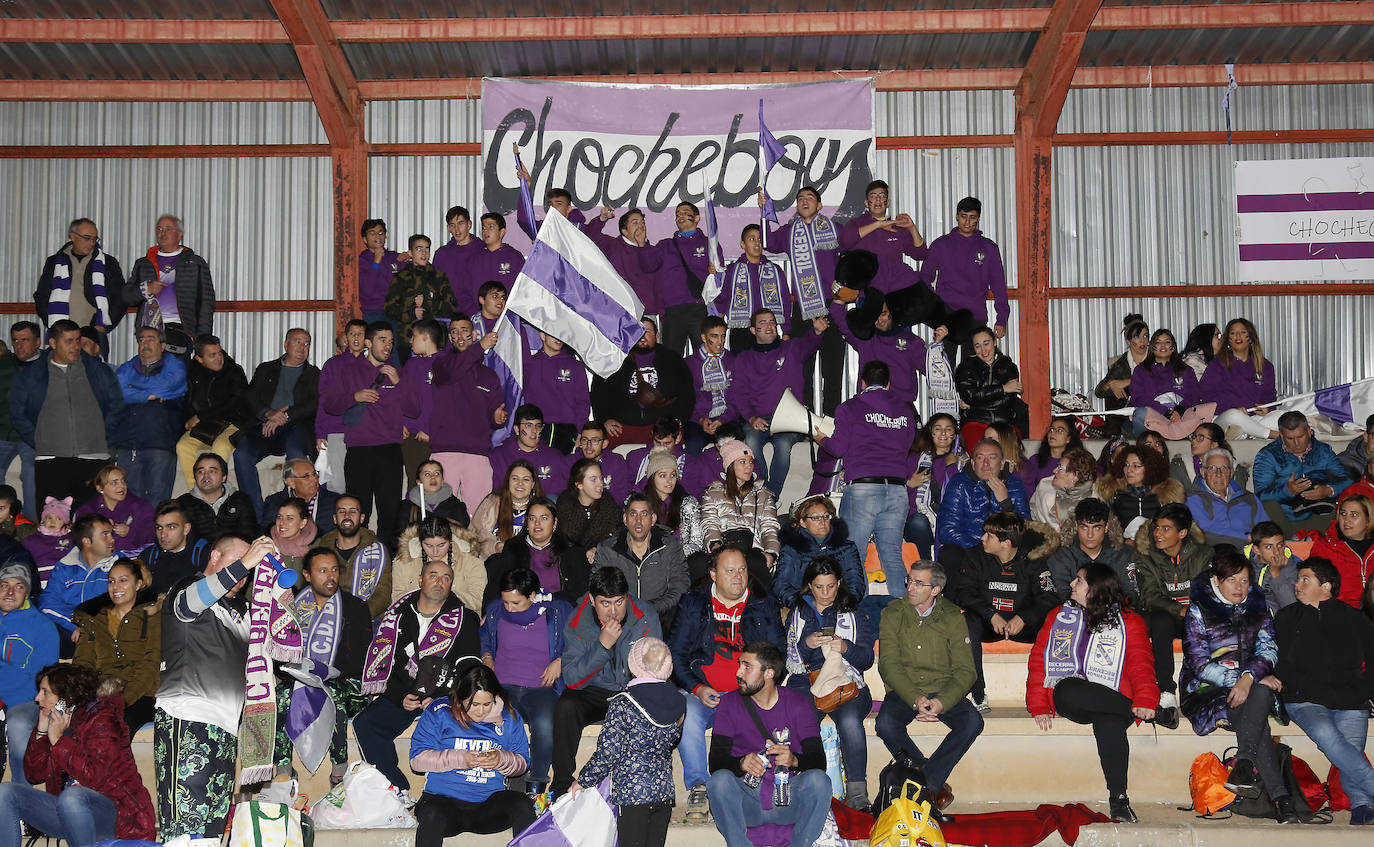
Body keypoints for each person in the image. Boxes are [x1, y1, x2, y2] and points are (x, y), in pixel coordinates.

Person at [154, 533, 266, 838]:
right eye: (239, 562)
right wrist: (246, 562)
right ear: (215, 556)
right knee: (184, 831)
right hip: (188, 717)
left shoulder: (243, 612)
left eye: (249, 569)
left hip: (227, 729)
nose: (244, 574)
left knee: (213, 832)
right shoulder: (188, 587)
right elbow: (189, 605)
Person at [1028, 563, 1158, 823]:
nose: (1072, 585)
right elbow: (1039, 660)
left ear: (1094, 590)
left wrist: (1146, 699)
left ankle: (1119, 800)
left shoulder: (1129, 621)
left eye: (1079, 581)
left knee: (1109, 722)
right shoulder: (1059, 616)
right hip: (1076, 697)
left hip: (1113, 698)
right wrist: (1039, 704)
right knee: (1066, 688)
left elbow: (1140, 663)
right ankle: (1156, 715)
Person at [1179, 551, 1295, 820]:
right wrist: (1242, 680)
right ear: (1217, 580)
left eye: (1244, 581)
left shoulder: (1258, 608)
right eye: (1232, 580)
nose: (1239, 587)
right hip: (1206, 689)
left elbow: (1269, 648)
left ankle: (1244, 765)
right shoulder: (1199, 611)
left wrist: (1249, 678)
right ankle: (1281, 797)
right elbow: (1199, 664)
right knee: (1255, 709)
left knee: (1258, 696)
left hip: (1251, 685)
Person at [354, 557, 480, 802]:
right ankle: (396, 789)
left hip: (444, 696)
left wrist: (442, 696)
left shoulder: (464, 618)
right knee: (365, 723)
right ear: (420, 579)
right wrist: (400, 696)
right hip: (405, 693)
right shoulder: (397, 615)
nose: (439, 582)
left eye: (446, 578)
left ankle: (447, 796)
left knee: (460, 726)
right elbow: (385, 663)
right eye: (433, 575)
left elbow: (469, 666)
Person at [0, 663, 155, 847]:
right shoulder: (59, 722)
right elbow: (34, 775)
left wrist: (58, 741)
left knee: (72, 797)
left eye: (45, 692)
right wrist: (41, 730)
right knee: (6, 792)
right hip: (69, 812)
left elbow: (96, 777)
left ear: (65, 697)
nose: (37, 698)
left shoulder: (102, 718)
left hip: (120, 816)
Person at [1271, 557, 1374, 824]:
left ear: (1326, 587)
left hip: (1350, 698)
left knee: (1350, 748)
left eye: (1306, 580)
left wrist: (1366, 690)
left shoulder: (1354, 619)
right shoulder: (1286, 617)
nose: (1298, 585)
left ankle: (1362, 806)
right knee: (1328, 736)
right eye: (1298, 579)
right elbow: (1278, 661)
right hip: (1304, 699)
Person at [875, 558, 979, 814]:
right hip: (905, 690)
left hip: (944, 689)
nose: (910, 587)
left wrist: (942, 702)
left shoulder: (953, 617)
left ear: (936, 590)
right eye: (909, 580)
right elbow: (888, 665)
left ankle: (924, 785)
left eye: (918, 583)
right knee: (885, 724)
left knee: (973, 722)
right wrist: (915, 699)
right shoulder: (892, 613)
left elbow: (966, 671)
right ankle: (933, 787)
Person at [705, 641, 830, 847]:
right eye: (740, 664)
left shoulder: (798, 703)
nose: (738, 672)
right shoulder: (730, 703)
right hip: (748, 802)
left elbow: (818, 761)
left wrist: (794, 760)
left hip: (787, 799)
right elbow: (716, 762)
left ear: (769, 673)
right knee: (719, 781)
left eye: (747, 666)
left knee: (819, 781)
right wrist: (741, 763)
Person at [552, 566, 662, 797]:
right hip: (594, 690)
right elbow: (572, 679)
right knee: (566, 705)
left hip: (632, 691)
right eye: (605, 603)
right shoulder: (577, 621)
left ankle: (642, 785)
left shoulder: (645, 616)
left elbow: (655, 671)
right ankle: (561, 785)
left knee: (657, 703)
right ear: (592, 600)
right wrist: (602, 646)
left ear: (627, 597)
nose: (613, 611)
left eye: (619, 602)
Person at [266, 548, 372, 787]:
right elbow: (279, 656)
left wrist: (323, 672)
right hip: (301, 681)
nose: (331, 576)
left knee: (330, 691)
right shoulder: (292, 608)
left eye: (334, 570)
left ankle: (339, 770)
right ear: (307, 575)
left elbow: (360, 660)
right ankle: (283, 770)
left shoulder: (355, 607)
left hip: (348, 685)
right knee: (280, 695)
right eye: (323, 571)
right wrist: (299, 673)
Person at [816, 360, 918, 594]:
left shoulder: (850, 407)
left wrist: (821, 439)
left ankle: (854, 617)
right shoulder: (905, 409)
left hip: (863, 487)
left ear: (861, 383)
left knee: (853, 555)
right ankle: (904, 617)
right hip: (896, 489)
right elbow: (908, 444)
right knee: (892, 555)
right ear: (888, 383)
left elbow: (839, 449)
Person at [783, 556, 876, 811]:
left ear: (840, 584)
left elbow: (866, 659)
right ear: (809, 587)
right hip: (806, 680)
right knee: (802, 716)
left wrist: (845, 647)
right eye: (819, 587)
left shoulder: (853, 611)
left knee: (848, 720)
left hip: (846, 681)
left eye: (831, 586)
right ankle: (802, 785)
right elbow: (789, 658)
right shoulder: (799, 612)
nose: (826, 593)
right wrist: (807, 644)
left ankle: (857, 792)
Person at [573, 637, 684, 847]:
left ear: (633, 664)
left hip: (632, 795)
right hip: (663, 793)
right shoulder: (679, 701)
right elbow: (673, 739)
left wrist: (583, 780)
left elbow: (608, 753)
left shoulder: (623, 703)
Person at [408, 662, 535, 845]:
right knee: (431, 813)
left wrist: (501, 759)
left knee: (522, 804)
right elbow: (417, 760)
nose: (481, 711)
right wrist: (461, 759)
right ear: (460, 697)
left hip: (488, 806)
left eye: (487, 704)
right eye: (474, 704)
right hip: (444, 802)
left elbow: (523, 762)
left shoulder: (509, 716)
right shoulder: (439, 711)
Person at [950, 512, 1058, 711]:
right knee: (966, 621)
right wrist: (990, 614)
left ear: (1006, 542)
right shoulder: (975, 556)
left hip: (1024, 626)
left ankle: (1051, 694)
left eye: (988, 535)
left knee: (1055, 621)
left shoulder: (1033, 559)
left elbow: (1049, 597)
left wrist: (1024, 617)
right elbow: (962, 593)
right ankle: (978, 693)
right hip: (988, 625)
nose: (982, 538)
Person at [10, 319, 123, 508]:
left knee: (90, 524)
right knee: (54, 524)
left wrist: (103, 436)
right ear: (53, 343)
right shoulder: (32, 375)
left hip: (93, 458)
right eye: (68, 341)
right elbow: (18, 412)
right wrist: (39, 440)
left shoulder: (97, 371)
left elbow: (117, 407)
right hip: (51, 460)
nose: (76, 346)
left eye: (78, 340)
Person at [479, 567, 572, 796]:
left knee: (545, 725)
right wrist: (487, 656)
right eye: (506, 602)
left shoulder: (557, 611)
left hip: (540, 687)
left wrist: (560, 660)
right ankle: (497, 780)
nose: (509, 608)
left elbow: (578, 642)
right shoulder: (494, 610)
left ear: (531, 596)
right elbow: (485, 640)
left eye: (516, 603)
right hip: (502, 687)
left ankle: (536, 784)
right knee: (493, 721)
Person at [325, 321, 415, 536]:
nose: (388, 346)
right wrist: (354, 397)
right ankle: (356, 558)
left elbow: (414, 409)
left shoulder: (399, 372)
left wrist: (398, 382)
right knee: (358, 510)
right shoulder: (349, 371)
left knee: (390, 512)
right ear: (368, 342)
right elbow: (329, 404)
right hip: (359, 450)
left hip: (390, 450)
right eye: (382, 340)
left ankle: (388, 562)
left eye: (391, 342)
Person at [727, 308, 828, 495]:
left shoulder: (791, 348)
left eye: (772, 322)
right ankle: (763, 490)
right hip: (760, 418)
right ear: (753, 330)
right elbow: (739, 394)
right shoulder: (744, 359)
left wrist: (817, 331)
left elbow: (809, 342)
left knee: (782, 444)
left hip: (791, 419)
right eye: (763, 323)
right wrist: (751, 418)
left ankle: (769, 497)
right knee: (750, 439)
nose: (769, 326)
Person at [1134, 503, 1214, 729]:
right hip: (1164, 618)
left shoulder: (1204, 555)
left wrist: (1192, 611)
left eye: (1166, 529)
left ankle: (1205, 688)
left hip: (1196, 617)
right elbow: (1149, 595)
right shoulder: (1145, 556)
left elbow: (1209, 591)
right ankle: (1166, 692)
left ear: (1182, 533)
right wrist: (1178, 609)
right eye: (1157, 528)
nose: (1158, 534)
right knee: (1161, 620)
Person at [234, 329, 321, 513]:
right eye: (298, 341)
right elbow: (250, 396)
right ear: (286, 344)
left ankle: (295, 509)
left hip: (296, 426)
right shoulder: (265, 369)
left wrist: (285, 416)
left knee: (296, 452)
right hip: (265, 426)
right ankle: (255, 514)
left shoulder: (314, 374)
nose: (302, 347)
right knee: (241, 454)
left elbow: (313, 404)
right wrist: (268, 413)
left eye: (307, 344)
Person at [429, 316, 508, 513]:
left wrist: (497, 418)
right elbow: (456, 369)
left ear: (473, 334)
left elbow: (494, 415)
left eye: (464, 330)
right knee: (440, 515)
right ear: (450, 338)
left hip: (477, 454)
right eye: (454, 331)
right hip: (444, 452)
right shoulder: (441, 364)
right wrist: (480, 347)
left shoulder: (489, 376)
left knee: (479, 518)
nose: (459, 335)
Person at [71, 558, 159, 732]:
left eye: (123, 581)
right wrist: (83, 694)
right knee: (75, 723)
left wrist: (123, 700)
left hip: (142, 694)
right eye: (111, 581)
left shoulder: (152, 615)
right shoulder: (94, 619)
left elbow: (151, 663)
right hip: (101, 691)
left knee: (117, 725)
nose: (116, 587)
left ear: (138, 584)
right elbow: (83, 661)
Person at [590, 317, 693, 449]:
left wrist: (678, 420)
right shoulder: (614, 358)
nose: (642, 335)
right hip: (622, 427)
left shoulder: (672, 359)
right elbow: (598, 392)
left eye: (648, 331)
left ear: (656, 336)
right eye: (638, 331)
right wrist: (604, 419)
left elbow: (687, 393)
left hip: (661, 427)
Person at [936, 437, 1030, 581]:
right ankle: (954, 602)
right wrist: (981, 551)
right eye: (980, 458)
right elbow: (947, 530)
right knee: (949, 553)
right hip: (969, 549)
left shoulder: (1014, 485)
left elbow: (1025, 528)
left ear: (1002, 463)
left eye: (992, 458)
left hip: (1003, 550)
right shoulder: (959, 484)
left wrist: (1005, 503)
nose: (986, 464)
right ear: (973, 463)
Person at [111, 327, 186, 503]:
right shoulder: (126, 369)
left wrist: (133, 390)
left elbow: (167, 387)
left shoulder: (175, 369)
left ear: (163, 345)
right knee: (128, 502)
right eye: (141, 340)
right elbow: (115, 394)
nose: (145, 343)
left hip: (160, 444)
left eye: (151, 339)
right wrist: (149, 395)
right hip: (127, 445)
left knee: (157, 501)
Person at [921, 196, 1009, 345]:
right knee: (945, 367)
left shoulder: (989, 248)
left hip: (975, 316)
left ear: (978, 219)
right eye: (963, 216)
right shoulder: (940, 245)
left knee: (974, 367)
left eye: (972, 217)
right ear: (957, 216)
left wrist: (1002, 319)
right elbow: (925, 277)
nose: (967, 222)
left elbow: (999, 286)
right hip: (946, 317)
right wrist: (933, 311)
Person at [593, 492, 688, 630]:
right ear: (625, 519)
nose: (638, 520)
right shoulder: (608, 550)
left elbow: (680, 587)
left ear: (653, 519)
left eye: (644, 514)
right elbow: (597, 589)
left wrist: (648, 609)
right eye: (633, 514)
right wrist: (624, 611)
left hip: (661, 619)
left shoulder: (669, 546)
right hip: (619, 620)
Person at [0, 561, 59, 782]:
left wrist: (6, 702)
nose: (10, 592)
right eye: (4, 585)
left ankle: (21, 796)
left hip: (26, 701)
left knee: (18, 723)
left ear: (26, 593)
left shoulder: (43, 627)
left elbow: (42, 681)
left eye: (18, 586)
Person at [34, 218, 127, 357]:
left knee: (94, 376)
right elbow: (42, 295)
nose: (91, 243)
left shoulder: (108, 263)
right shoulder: (54, 262)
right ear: (72, 236)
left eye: (95, 239)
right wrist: (53, 324)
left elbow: (120, 297)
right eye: (87, 238)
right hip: (62, 333)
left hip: (93, 333)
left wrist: (103, 325)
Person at [125, 214, 215, 355]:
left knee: (176, 373)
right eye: (159, 229)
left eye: (168, 228)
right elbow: (126, 296)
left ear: (180, 235)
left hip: (181, 330)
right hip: (149, 330)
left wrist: (202, 338)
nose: (163, 233)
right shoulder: (143, 263)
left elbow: (206, 301)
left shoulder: (195, 263)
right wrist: (145, 289)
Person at [1253, 411, 1351, 536]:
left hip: (1321, 511)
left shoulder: (1323, 450)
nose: (1297, 443)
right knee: (1268, 506)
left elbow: (1348, 481)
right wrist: (1287, 491)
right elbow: (1259, 496)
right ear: (1282, 437)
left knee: (1352, 501)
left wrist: (1328, 490)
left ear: (1309, 432)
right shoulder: (1268, 455)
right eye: (1290, 438)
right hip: (1284, 517)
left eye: (1300, 437)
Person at [701, 438, 780, 592]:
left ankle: (764, 610)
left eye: (750, 462)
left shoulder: (763, 494)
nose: (749, 467)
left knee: (756, 561)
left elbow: (770, 527)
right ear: (730, 466)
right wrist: (716, 546)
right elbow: (710, 525)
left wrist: (771, 553)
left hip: (754, 550)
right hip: (724, 549)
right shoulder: (713, 493)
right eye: (742, 462)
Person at [483, 498, 586, 608]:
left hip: (560, 610)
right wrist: (490, 614)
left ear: (554, 523)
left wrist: (550, 599)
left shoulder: (572, 551)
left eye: (544, 518)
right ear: (527, 523)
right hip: (520, 611)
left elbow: (581, 591)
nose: (537, 523)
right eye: (532, 518)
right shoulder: (513, 548)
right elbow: (498, 587)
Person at [775, 495, 865, 618]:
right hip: (802, 606)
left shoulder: (847, 547)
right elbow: (781, 585)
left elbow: (856, 582)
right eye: (815, 518)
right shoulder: (792, 549)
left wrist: (842, 603)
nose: (822, 522)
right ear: (803, 522)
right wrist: (805, 604)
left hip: (840, 606)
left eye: (825, 516)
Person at [176, 334, 247, 490]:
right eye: (212, 355)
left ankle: (215, 491)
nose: (218, 358)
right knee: (183, 446)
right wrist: (188, 419)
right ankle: (196, 493)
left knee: (220, 447)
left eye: (219, 353)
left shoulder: (234, 371)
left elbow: (233, 403)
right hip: (205, 426)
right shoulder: (192, 371)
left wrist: (200, 417)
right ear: (199, 359)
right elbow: (186, 399)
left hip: (232, 423)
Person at [838, 179, 928, 295]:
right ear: (866, 203)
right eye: (873, 196)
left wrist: (912, 228)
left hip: (895, 293)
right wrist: (878, 224)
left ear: (887, 202)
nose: (878, 199)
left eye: (882, 196)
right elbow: (844, 241)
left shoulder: (897, 227)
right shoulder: (856, 224)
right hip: (867, 294)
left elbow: (921, 254)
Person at [40, 513, 116, 646]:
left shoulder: (120, 566)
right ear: (86, 541)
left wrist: (91, 625)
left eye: (111, 534)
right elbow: (48, 604)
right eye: (105, 534)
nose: (112, 539)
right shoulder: (65, 568)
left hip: (109, 633)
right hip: (70, 631)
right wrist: (78, 624)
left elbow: (127, 604)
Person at [1047, 498, 1138, 605]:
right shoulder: (1061, 556)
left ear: (1106, 527)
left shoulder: (1123, 554)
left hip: (1116, 615)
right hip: (1074, 616)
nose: (1090, 535)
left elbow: (1131, 596)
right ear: (1076, 526)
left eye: (1096, 528)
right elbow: (1062, 597)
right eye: (1084, 527)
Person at [1201, 318, 1278, 441]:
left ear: (1251, 338)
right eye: (1232, 333)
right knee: (1234, 415)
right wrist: (1233, 407)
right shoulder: (1217, 364)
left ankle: (1247, 434)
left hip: (1256, 419)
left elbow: (1270, 395)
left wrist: (1268, 408)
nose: (1238, 336)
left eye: (1243, 332)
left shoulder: (1266, 366)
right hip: (1225, 418)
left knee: (1284, 416)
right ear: (1228, 340)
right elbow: (1207, 396)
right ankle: (1271, 435)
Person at [1125, 329, 1210, 440]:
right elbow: (1139, 399)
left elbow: (1194, 396)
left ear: (1173, 347)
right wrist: (1165, 412)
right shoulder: (1141, 371)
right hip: (1155, 415)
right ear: (1152, 347)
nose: (1163, 345)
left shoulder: (1186, 370)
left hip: (1182, 416)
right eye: (1158, 342)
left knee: (1205, 410)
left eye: (1167, 342)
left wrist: (1180, 410)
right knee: (1140, 413)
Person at [316, 318, 368, 495]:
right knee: (337, 485)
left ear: (366, 338)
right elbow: (323, 400)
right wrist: (320, 434)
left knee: (360, 485)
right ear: (345, 337)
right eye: (352, 333)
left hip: (365, 433)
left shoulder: (373, 364)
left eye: (360, 334)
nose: (356, 338)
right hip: (336, 430)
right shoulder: (332, 364)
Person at [384, 234, 456, 361]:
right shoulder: (401, 278)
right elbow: (389, 308)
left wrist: (428, 306)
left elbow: (451, 306)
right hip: (408, 341)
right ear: (410, 253)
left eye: (427, 249)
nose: (424, 253)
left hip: (435, 341)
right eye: (419, 249)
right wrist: (411, 313)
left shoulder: (439, 277)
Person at [392, 515, 485, 613]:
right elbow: (397, 598)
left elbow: (479, 599)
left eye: (441, 545)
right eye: (428, 545)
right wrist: (426, 601)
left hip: (459, 617)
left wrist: (443, 598)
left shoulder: (471, 561)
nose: (435, 551)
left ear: (450, 541)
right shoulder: (405, 560)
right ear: (420, 542)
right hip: (415, 617)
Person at [955, 325, 1027, 446]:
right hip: (975, 422)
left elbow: (1008, 400)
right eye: (977, 346)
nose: (983, 350)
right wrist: (1003, 389)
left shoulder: (1009, 367)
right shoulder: (965, 367)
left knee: (1012, 455)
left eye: (986, 343)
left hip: (1004, 422)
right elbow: (969, 395)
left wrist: (975, 403)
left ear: (994, 342)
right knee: (981, 453)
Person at [904, 413, 964, 559]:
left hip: (950, 520)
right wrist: (910, 484)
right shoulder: (914, 458)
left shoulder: (963, 460)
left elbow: (962, 492)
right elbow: (894, 493)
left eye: (948, 429)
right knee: (918, 522)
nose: (943, 433)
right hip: (918, 521)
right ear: (931, 432)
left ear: (955, 435)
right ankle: (926, 565)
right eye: (938, 428)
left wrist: (951, 466)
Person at [1096, 444, 1183, 539]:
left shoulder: (1166, 494)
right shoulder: (1112, 492)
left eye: (1136, 466)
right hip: (1122, 548)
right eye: (1126, 465)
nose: (1129, 470)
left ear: (1150, 468)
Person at [522, 333, 590, 454]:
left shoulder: (575, 366)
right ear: (543, 335)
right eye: (554, 334)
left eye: (562, 335)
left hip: (566, 429)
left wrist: (581, 431)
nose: (559, 339)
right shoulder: (529, 364)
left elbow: (583, 403)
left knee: (561, 470)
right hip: (535, 428)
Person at [1186, 448, 1263, 548]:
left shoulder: (1248, 498)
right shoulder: (1191, 500)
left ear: (1231, 473)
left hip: (1252, 554)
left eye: (1224, 468)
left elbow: (1265, 529)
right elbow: (1204, 535)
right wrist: (1246, 538)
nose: (1219, 474)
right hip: (1214, 556)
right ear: (1203, 472)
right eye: (1212, 468)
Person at [1309, 493, 1374, 607]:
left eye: (1354, 515)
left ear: (1368, 520)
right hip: (1340, 614)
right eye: (1343, 514)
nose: (1346, 520)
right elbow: (1315, 590)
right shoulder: (1324, 548)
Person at [73, 464, 155, 554]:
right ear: (100, 488)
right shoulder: (87, 511)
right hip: (99, 560)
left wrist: (130, 532)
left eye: (123, 481)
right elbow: (80, 540)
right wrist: (99, 527)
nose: (122, 486)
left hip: (133, 559)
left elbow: (153, 535)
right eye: (114, 483)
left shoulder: (141, 506)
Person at [487, 404, 569, 494]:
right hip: (507, 505)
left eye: (538, 426)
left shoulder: (554, 457)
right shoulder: (499, 456)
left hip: (543, 505)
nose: (534, 431)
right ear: (517, 429)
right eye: (528, 426)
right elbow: (493, 494)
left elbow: (560, 494)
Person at [470, 460, 542, 561]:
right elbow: (472, 536)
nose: (520, 483)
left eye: (526, 480)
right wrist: (494, 547)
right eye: (515, 478)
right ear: (508, 481)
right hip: (493, 563)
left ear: (533, 484)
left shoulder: (542, 508)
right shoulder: (491, 503)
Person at [177, 452, 257, 541]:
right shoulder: (182, 504)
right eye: (201, 471)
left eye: (212, 471)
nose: (206, 475)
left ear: (224, 477)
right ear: (195, 477)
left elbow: (249, 536)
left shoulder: (241, 500)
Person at [684, 316, 734, 455]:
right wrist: (700, 419)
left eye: (723, 336)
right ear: (704, 337)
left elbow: (738, 396)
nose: (720, 341)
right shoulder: (689, 363)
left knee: (734, 447)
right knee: (693, 445)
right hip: (697, 419)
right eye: (714, 336)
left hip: (727, 418)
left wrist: (723, 419)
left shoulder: (733, 360)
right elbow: (686, 399)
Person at [140, 500, 209, 596]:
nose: (163, 534)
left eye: (171, 527)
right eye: (159, 527)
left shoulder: (204, 555)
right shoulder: (148, 557)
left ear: (186, 529)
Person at [261, 456, 339, 536]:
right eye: (306, 476)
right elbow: (266, 532)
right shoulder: (275, 502)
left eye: (314, 474)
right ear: (291, 482)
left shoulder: (334, 501)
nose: (315, 479)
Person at [557, 458, 621, 551]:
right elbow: (566, 541)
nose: (600, 484)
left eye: (601, 478)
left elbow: (616, 535)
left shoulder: (608, 504)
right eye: (593, 479)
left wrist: (597, 547)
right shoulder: (565, 505)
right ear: (579, 485)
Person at [396, 459, 470, 540]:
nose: (433, 477)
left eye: (437, 473)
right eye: (427, 474)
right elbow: (399, 537)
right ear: (418, 482)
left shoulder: (456, 505)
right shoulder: (407, 507)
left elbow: (465, 535)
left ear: (442, 481)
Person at [357, 218, 409, 327]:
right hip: (374, 313)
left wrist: (411, 255)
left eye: (381, 233)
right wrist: (376, 261)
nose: (377, 236)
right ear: (365, 239)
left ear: (385, 237)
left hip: (397, 313)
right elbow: (367, 289)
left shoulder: (394, 257)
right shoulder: (362, 260)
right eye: (372, 233)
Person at [432, 206, 483, 317]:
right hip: (447, 317)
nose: (457, 230)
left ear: (469, 224)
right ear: (448, 228)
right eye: (452, 225)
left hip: (476, 315)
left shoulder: (483, 251)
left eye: (460, 223)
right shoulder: (441, 255)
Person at [1029, 447, 1098, 529]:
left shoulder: (1094, 499)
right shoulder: (1045, 490)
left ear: (1075, 476)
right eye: (1057, 466)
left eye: (1060, 468)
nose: (1054, 470)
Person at [1095, 314, 1150, 414]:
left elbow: (1161, 379)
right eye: (1137, 337)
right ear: (1128, 341)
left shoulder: (1156, 358)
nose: (1142, 341)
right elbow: (1099, 391)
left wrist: (1128, 381)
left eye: (1145, 336)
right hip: (1131, 412)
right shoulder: (1121, 363)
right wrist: (1113, 386)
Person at [1020, 417, 1085, 493]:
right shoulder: (1035, 460)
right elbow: (1028, 490)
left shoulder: (1077, 462)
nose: (1053, 433)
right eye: (1051, 429)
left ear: (1068, 438)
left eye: (1060, 430)